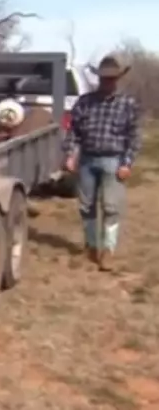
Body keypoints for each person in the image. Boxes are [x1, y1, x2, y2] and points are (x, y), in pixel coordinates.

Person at [62, 55, 140, 272]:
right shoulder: (85, 102)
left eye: (112, 79)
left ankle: (108, 249)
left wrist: (127, 163)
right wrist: (70, 155)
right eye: (104, 79)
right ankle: (91, 246)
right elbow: (74, 132)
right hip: (87, 159)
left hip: (113, 160)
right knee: (86, 206)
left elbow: (133, 137)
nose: (108, 83)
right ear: (98, 79)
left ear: (118, 79)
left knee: (111, 207)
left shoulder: (127, 104)